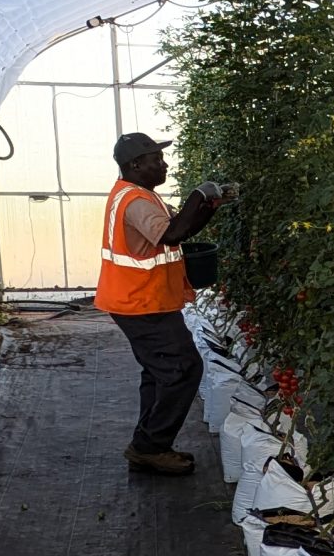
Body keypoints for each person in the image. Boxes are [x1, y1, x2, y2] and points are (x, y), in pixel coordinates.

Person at [95, 133, 233, 474]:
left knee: (158, 374)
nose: (164, 164)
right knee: (184, 370)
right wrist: (198, 194)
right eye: (156, 159)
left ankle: (149, 443)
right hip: (141, 303)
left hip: (144, 301)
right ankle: (149, 447)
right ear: (135, 165)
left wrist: (211, 205)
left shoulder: (141, 195)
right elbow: (172, 235)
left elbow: (180, 229)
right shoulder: (135, 202)